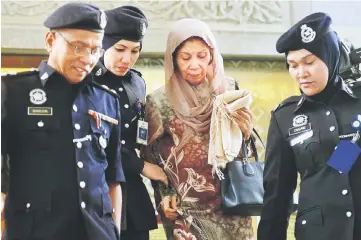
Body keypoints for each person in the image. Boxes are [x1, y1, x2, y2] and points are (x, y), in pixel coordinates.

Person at [1, 3, 125, 240]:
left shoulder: (107, 100)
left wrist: (114, 232)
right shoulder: (12, 92)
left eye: (95, 50)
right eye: (78, 47)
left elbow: (113, 180)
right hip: (35, 231)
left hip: (96, 233)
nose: (87, 59)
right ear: (50, 41)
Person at [142, 18, 255, 240]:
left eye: (202, 56)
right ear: (173, 59)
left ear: (212, 54)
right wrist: (164, 193)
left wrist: (247, 133)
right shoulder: (159, 101)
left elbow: (244, 153)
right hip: (186, 209)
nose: (195, 64)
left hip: (232, 202)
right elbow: (150, 156)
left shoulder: (230, 90)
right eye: (186, 57)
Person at [258, 12, 361, 240]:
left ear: (330, 57)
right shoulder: (285, 117)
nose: (301, 73)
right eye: (292, 65)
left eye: (309, 62)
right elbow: (277, 196)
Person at [92, 6, 167, 240]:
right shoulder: (86, 81)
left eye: (135, 51)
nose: (128, 59)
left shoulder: (137, 82)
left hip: (131, 190)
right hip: (97, 186)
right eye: (120, 49)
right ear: (103, 44)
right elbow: (96, 142)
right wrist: (144, 167)